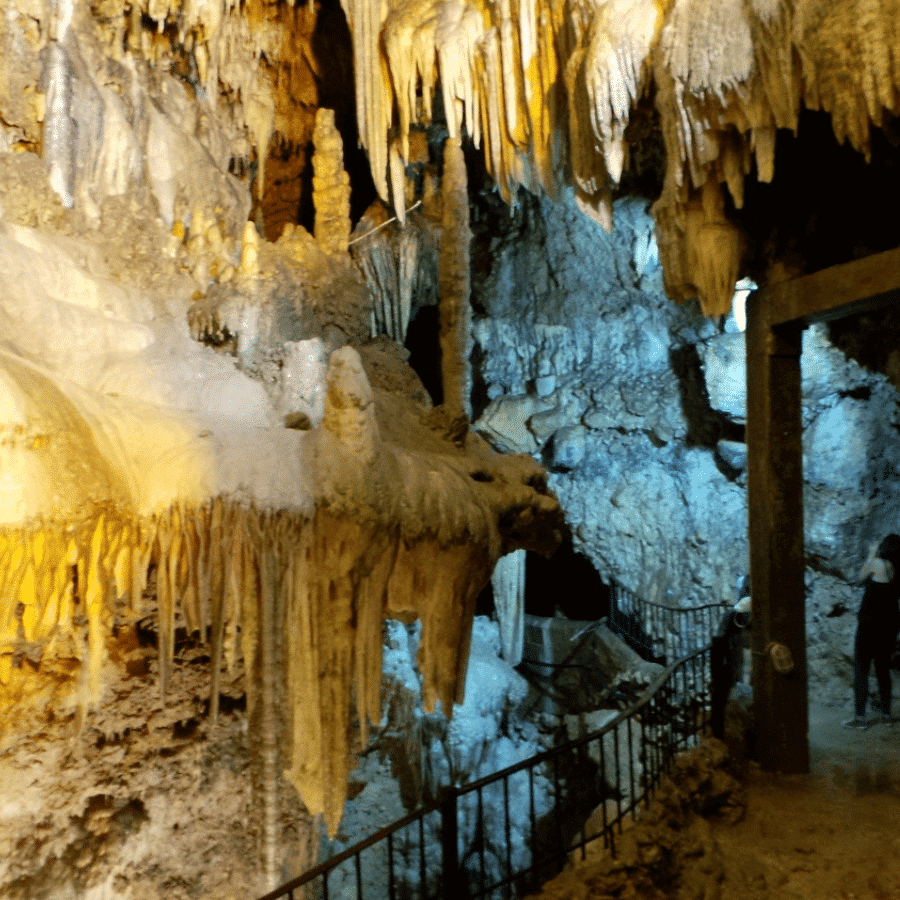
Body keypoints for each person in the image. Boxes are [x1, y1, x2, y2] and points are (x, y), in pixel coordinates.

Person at [842, 534, 900, 729]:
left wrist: (871, 553)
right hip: (888, 628)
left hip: (869, 627)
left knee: (862, 670)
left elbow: (859, 579)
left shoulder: (877, 564)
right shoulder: (896, 570)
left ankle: (860, 718)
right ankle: (886, 714)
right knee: (883, 670)